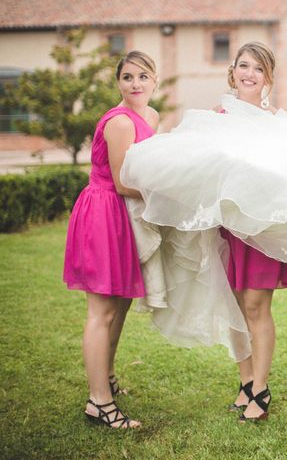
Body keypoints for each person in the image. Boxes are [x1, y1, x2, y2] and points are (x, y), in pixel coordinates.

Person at [63, 51, 159, 428]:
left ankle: (106, 378)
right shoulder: (119, 122)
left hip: (124, 216)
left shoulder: (149, 116)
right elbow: (123, 182)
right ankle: (98, 402)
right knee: (101, 312)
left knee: (119, 306)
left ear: (155, 80)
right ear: (118, 82)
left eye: (143, 76)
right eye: (128, 77)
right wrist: (169, 195)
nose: (135, 83)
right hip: (104, 211)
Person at [218, 42, 287, 422]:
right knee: (236, 305)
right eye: (244, 66)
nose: (249, 74)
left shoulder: (274, 123)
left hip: (261, 228)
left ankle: (262, 388)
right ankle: (245, 380)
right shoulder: (217, 117)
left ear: (267, 79)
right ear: (233, 71)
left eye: (258, 69)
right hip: (227, 228)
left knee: (255, 305)